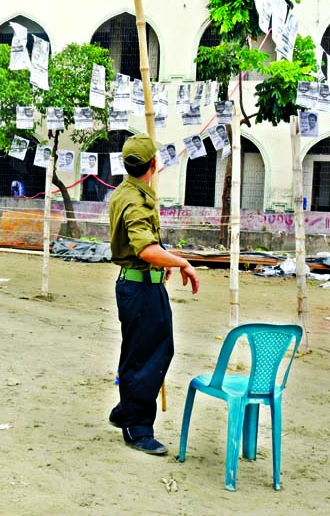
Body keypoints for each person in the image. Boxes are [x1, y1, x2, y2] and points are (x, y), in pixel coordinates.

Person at [107, 134, 200, 455]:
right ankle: (137, 428)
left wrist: (164, 263)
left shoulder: (125, 192)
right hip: (141, 288)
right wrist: (182, 261)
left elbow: (150, 250)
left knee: (142, 352)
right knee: (149, 356)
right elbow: (146, 249)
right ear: (154, 164)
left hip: (142, 284)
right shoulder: (135, 200)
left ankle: (125, 410)